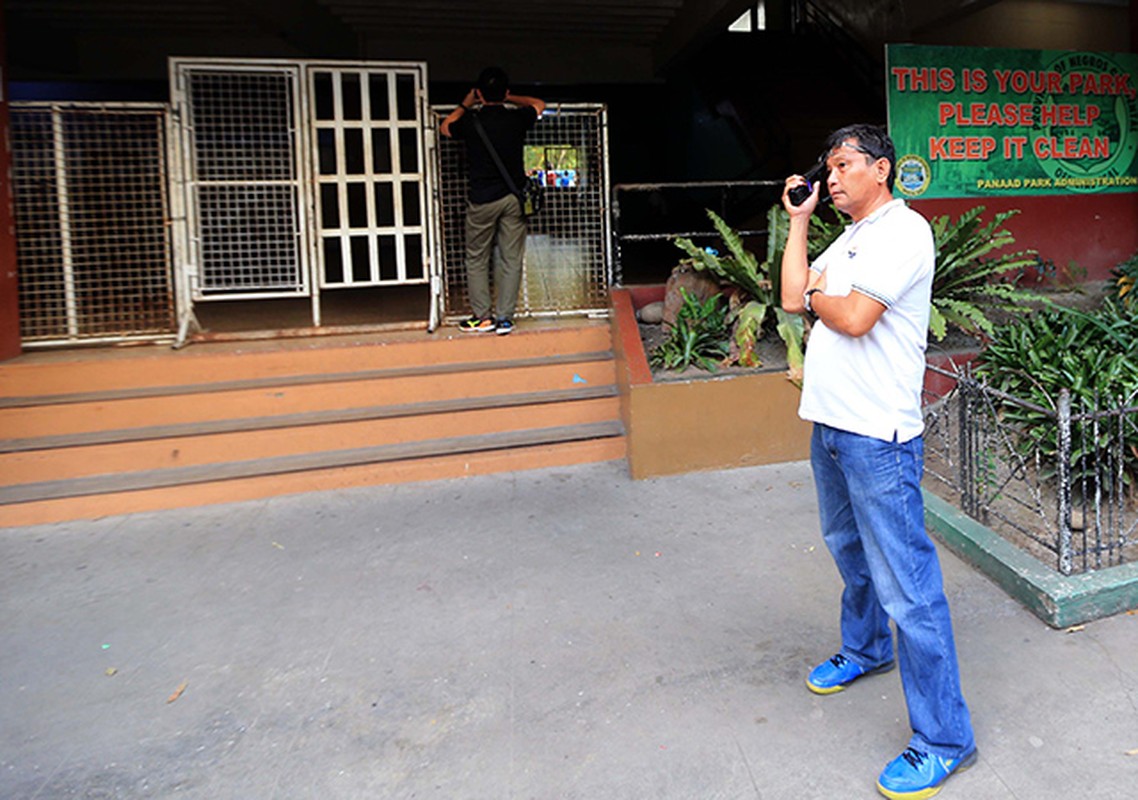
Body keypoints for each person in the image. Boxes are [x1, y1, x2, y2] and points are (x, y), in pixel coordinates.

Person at [780, 123, 976, 800]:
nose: (830, 178)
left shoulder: (903, 232)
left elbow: (857, 317)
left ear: (881, 169)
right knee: (847, 549)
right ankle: (865, 649)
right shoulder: (848, 235)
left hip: (878, 437)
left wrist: (818, 297)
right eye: (827, 168)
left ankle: (946, 738)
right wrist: (800, 226)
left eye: (842, 166)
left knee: (909, 586)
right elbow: (791, 295)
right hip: (832, 427)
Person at [440, 66, 545, 335]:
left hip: (482, 199)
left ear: (479, 93)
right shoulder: (517, 119)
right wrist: (509, 99)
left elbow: (445, 128)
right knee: (511, 258)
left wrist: (465, 104)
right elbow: (538, 104)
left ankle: (482, 317)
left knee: (476, 258)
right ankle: (505, 319)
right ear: (505, 92)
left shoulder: (471, 122)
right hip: (513, 197)